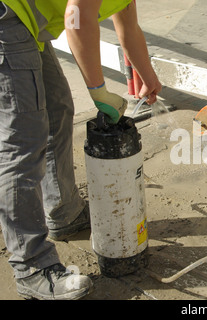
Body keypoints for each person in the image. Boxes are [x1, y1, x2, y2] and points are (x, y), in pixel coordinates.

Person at [0, 0, 161, 300]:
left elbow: (128, 24)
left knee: (57, 107)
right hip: (7, 17)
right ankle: (31, 267)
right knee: (23, 142)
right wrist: (98, 92)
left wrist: (148, 75)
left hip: (24, 20)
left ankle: (64, 211)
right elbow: (76, 17)